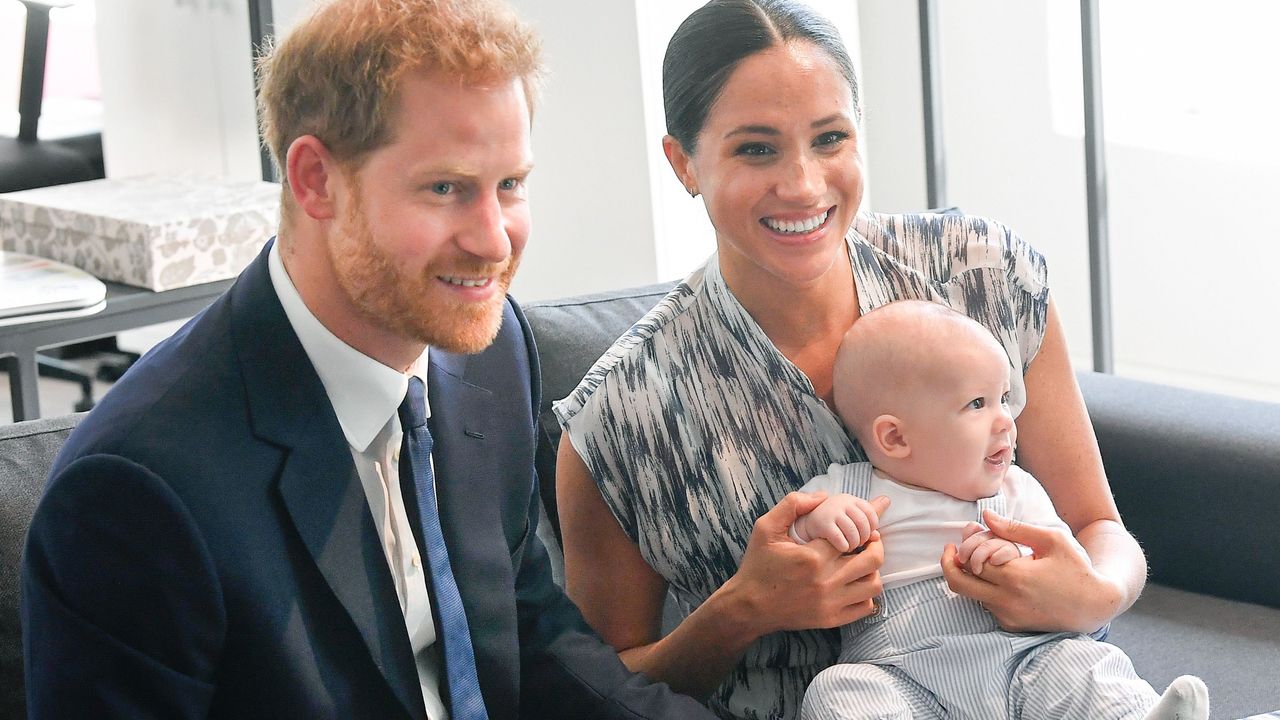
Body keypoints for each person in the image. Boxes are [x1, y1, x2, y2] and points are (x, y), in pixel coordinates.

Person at [19, 1, 717, 718]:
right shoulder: (134, 493)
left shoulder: (490, 353)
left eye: (509, 185)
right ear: (316, 179)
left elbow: (536, 641)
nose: (494, 241)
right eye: (445, 188)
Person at [553, 1, 1150, 718]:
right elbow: (595, 695)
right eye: (756, 148)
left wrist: (1098, 591)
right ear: (684, 163)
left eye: (830, 138)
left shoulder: (982, 276)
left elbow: (1098, 526)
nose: (804, 185)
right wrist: (743, 610)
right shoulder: (620, 416)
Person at [788, 300, 1209, 719]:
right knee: (836, 691)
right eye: (977, 403)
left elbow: (1065, 567)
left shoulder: (1016, 489)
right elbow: (786, 545)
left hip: (1025, 659)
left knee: (1083, 666)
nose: (1006, 419)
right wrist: (820, 521)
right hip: (902, 675)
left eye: (1004, 397)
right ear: (895, 438)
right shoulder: (847, 489)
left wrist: (1017, 561)